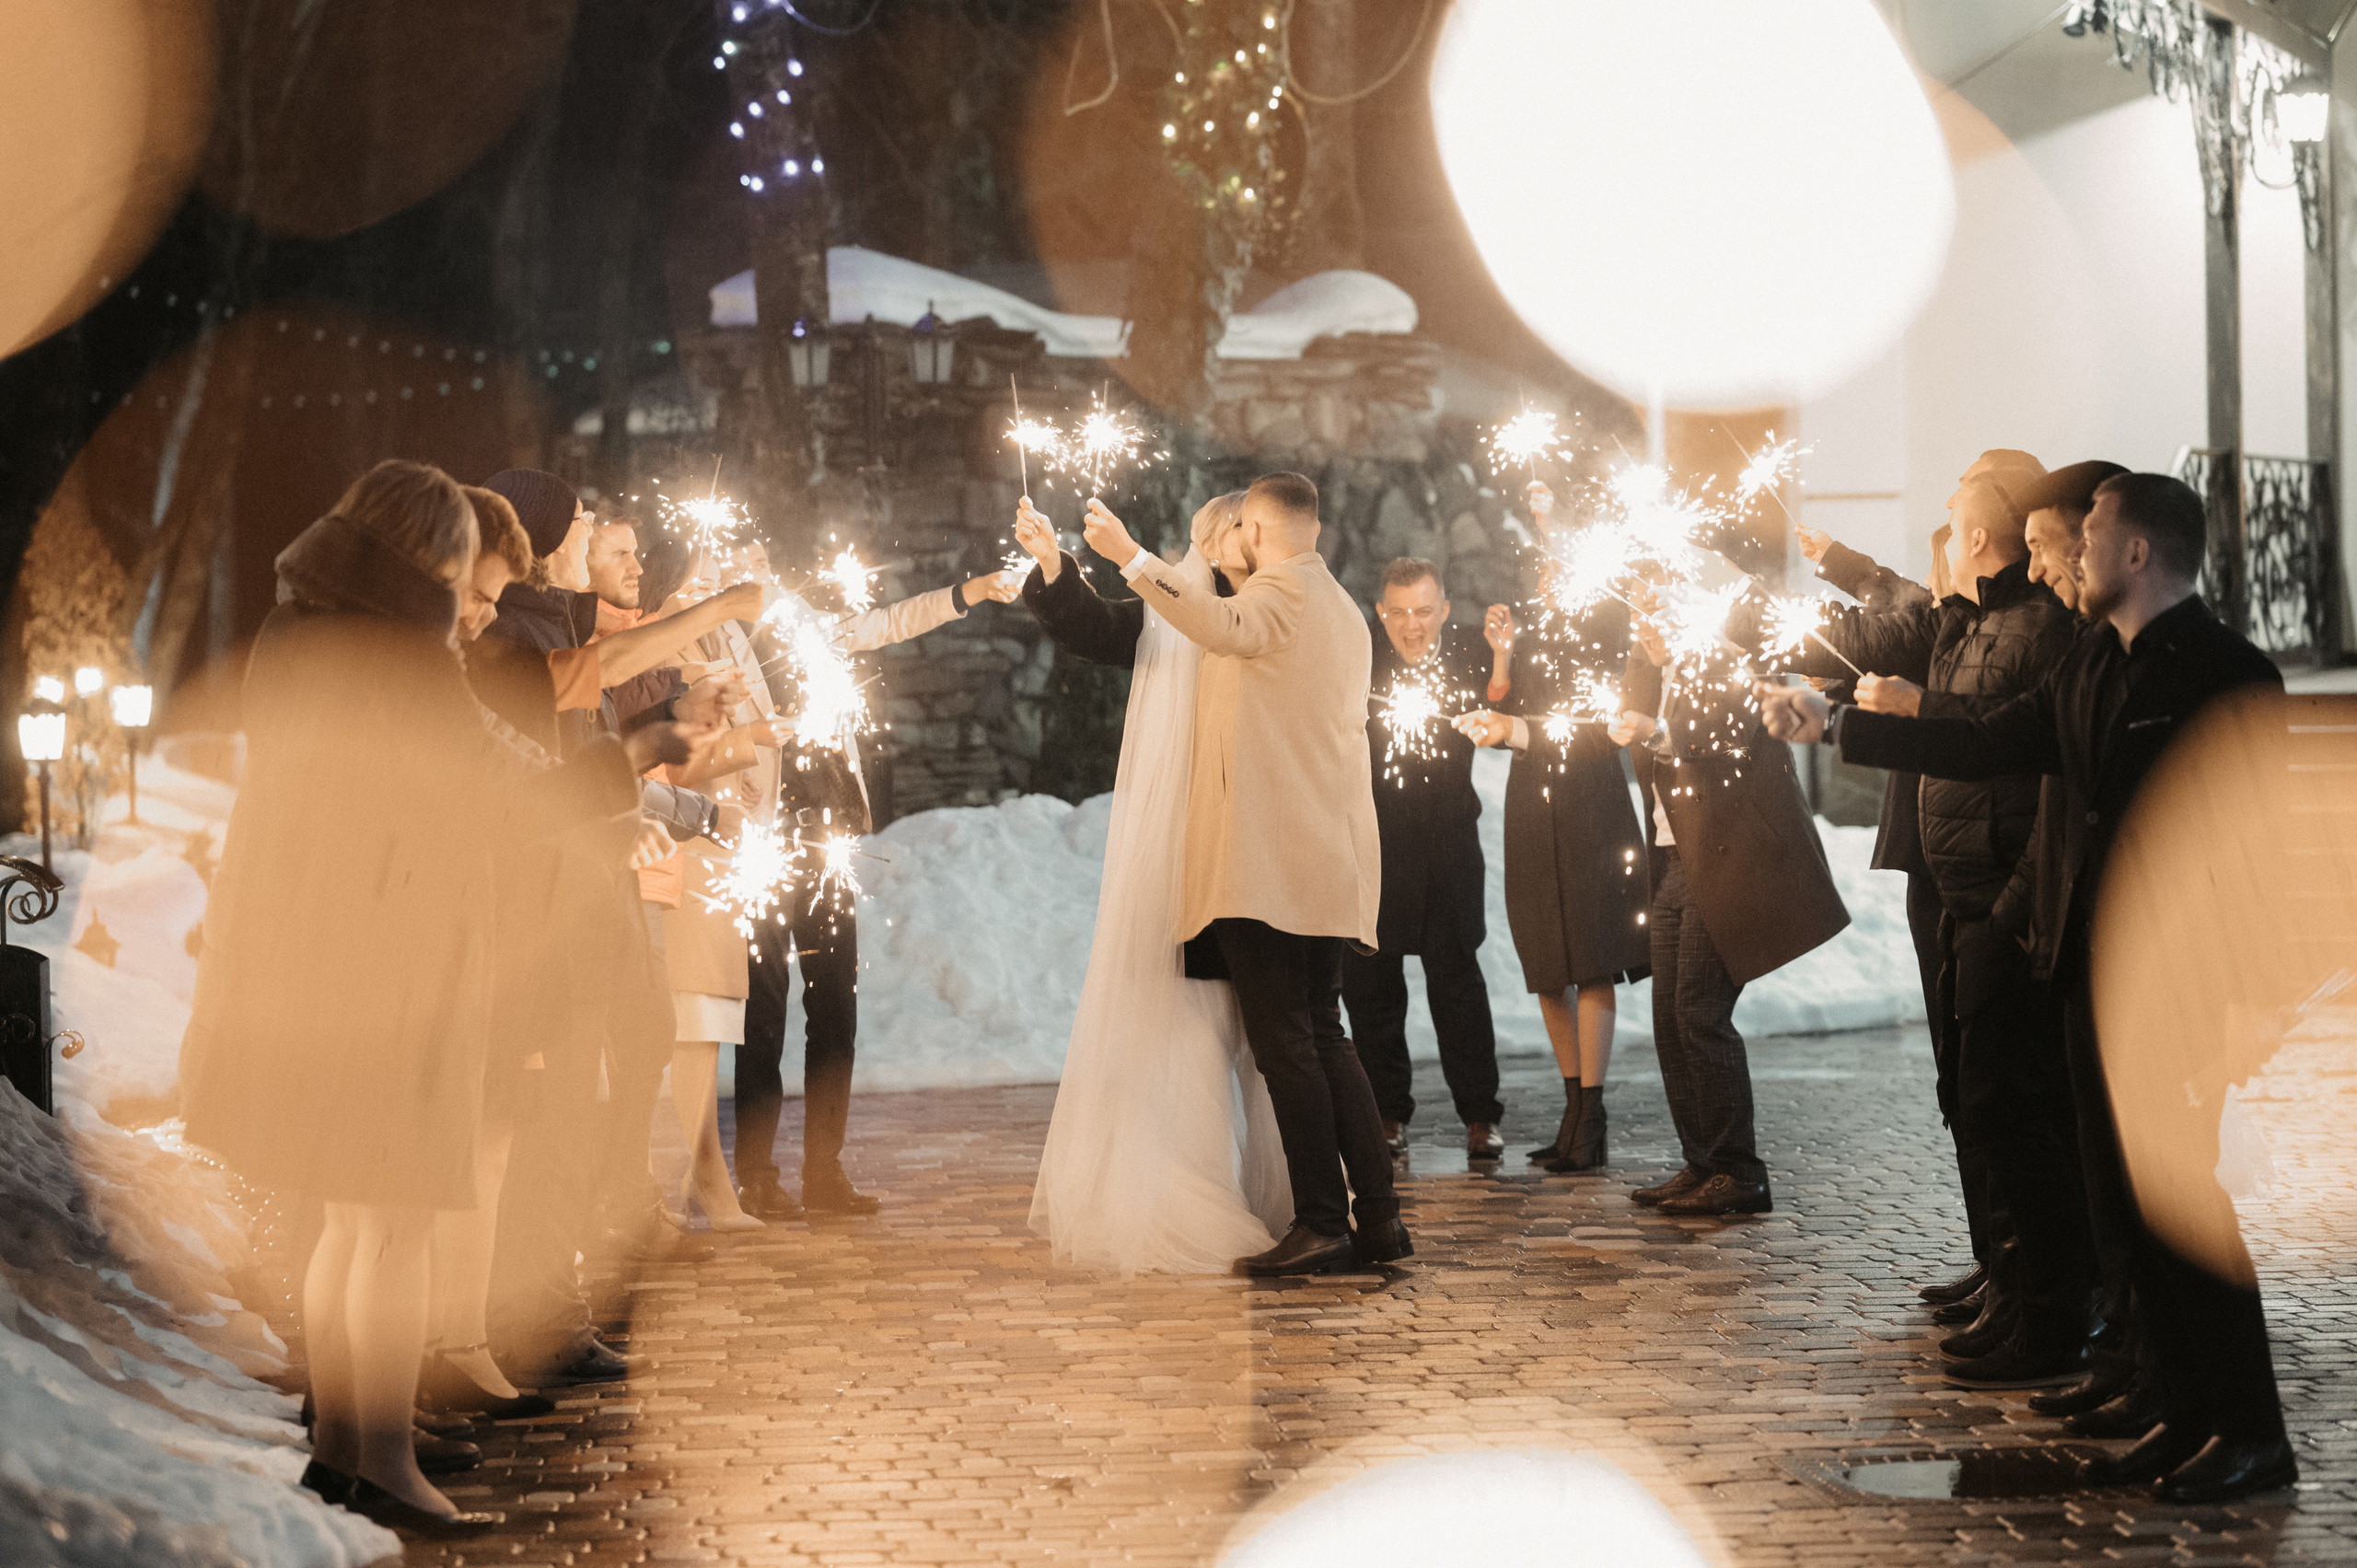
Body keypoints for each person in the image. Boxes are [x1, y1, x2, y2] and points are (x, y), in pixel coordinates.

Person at [178, 460, 700, 1534]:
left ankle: (346, 1446)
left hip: (330, 961)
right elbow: (493, 787)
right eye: (467, 582)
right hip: (388, 968)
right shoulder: (394, 655)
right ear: (423, 559)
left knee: (354, 1223)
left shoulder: (303, 630)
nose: (477, 611)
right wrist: (637, 755)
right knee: (396, 1223)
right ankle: (379, 1455)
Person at [1759, 471, 2293, 1504]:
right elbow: (1990, 736)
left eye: (2089, 536)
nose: (2071, 554)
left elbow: (2257, 853)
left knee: (2187, 1214)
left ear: (2138, 553)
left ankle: (2251, 1430)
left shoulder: (2228, 673)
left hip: (2184, 980)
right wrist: (1838, 725)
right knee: (2121, 1209)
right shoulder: (2095, 661)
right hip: (2091, 970)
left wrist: (2249, 1002)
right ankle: (2180, 1410)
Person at [1747, 476, 2089, 1388]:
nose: (2049, 568)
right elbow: (1968, 726)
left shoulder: (2043, 633)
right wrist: (1842, 717)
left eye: (2056, 548)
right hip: (1968, 888)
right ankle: (2017, 1287)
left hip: (2005, 898)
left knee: (2020, 1112)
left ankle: (2057, 1313)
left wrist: (2009, 914)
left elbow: (2002, 751)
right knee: (1979, 1099)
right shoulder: (1973, 620)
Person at [1079, 474, 1410, 1278]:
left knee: (1287, 1045)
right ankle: (1379, 1217)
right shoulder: (1342, 607)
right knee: (1324, 1035)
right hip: (1322, 860)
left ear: (1258, 530)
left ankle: (1322, 1221)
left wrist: (1130, 556)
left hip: (1268, 867)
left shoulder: (1281, 594)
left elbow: (1222, 625)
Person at [1012, 492, 1295, 1273]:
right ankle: (1191, 1188)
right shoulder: (1174, 607)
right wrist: (1053, 565)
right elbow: (1103, 627)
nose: (1250, 538)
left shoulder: (1276, 612)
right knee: (1197, 1025)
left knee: (1276, 1037)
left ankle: (1297, 1197)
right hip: (1191, 852)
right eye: (1237, 527)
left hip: (1264, 847)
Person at [1792, 447, 2043, 1314]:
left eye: (1961, 493)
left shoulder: (2018, 628)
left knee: (1995, 1084)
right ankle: (1999, 1260)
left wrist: (1886, 705)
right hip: (1940, 854)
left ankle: (2027, 1277)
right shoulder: (1962, 617)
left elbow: (1969, 719)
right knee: (1961, 1077)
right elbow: (1895, 614)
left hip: (1988, 872)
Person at [731, 543, 1022, 1218]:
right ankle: (756, 1177)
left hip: (825, 845)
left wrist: (973, 590)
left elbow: (888, 622)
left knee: (836, 1004)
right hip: (761, 846)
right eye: (741, 560)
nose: (757, 565)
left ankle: (823, 1171)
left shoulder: (808, 626)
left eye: (763, 557)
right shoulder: (715, 643)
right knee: (763, 1012)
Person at [1601, 601, 1849, 1217]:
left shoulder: (1723, 654)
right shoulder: (1649, 665)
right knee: (1669, 1017)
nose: (1648, 626)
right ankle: (1704, 1162)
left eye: (1658, 611)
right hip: (1673, 859)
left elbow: (1719, 733)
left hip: (1728, 856)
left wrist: (1652, 727)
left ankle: (1740, 1172)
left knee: (1700, 1011)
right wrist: (1644, 680)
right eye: (1639, 616)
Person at [1457, 481, 1650, 1172]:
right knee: (1547, 961)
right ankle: (1572, 1106)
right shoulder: (1537, 628)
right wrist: (1502, 654)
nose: (1544, 572)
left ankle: (1591, 1115)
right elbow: (1503, 708)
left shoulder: (1607, 627)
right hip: (1531, 804)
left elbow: (1599, 731)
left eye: (1557, 560)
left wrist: (1548, 517)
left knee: (1589, 954)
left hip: (1589, 801)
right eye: (1541, 563)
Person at [1346, 557, 1506, 1159]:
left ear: (1444, 610)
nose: (1411, 625)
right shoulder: (1359, 657)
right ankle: (1386, 1114)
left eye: (1423, 611)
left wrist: (1503, 659)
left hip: (1449, 846)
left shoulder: (1471, 651)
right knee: (1372, 986)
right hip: (1375, 846)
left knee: (1458, 982)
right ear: (1380, 611)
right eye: (1398, 612)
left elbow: (1506, 703)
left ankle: (1480, 1115)